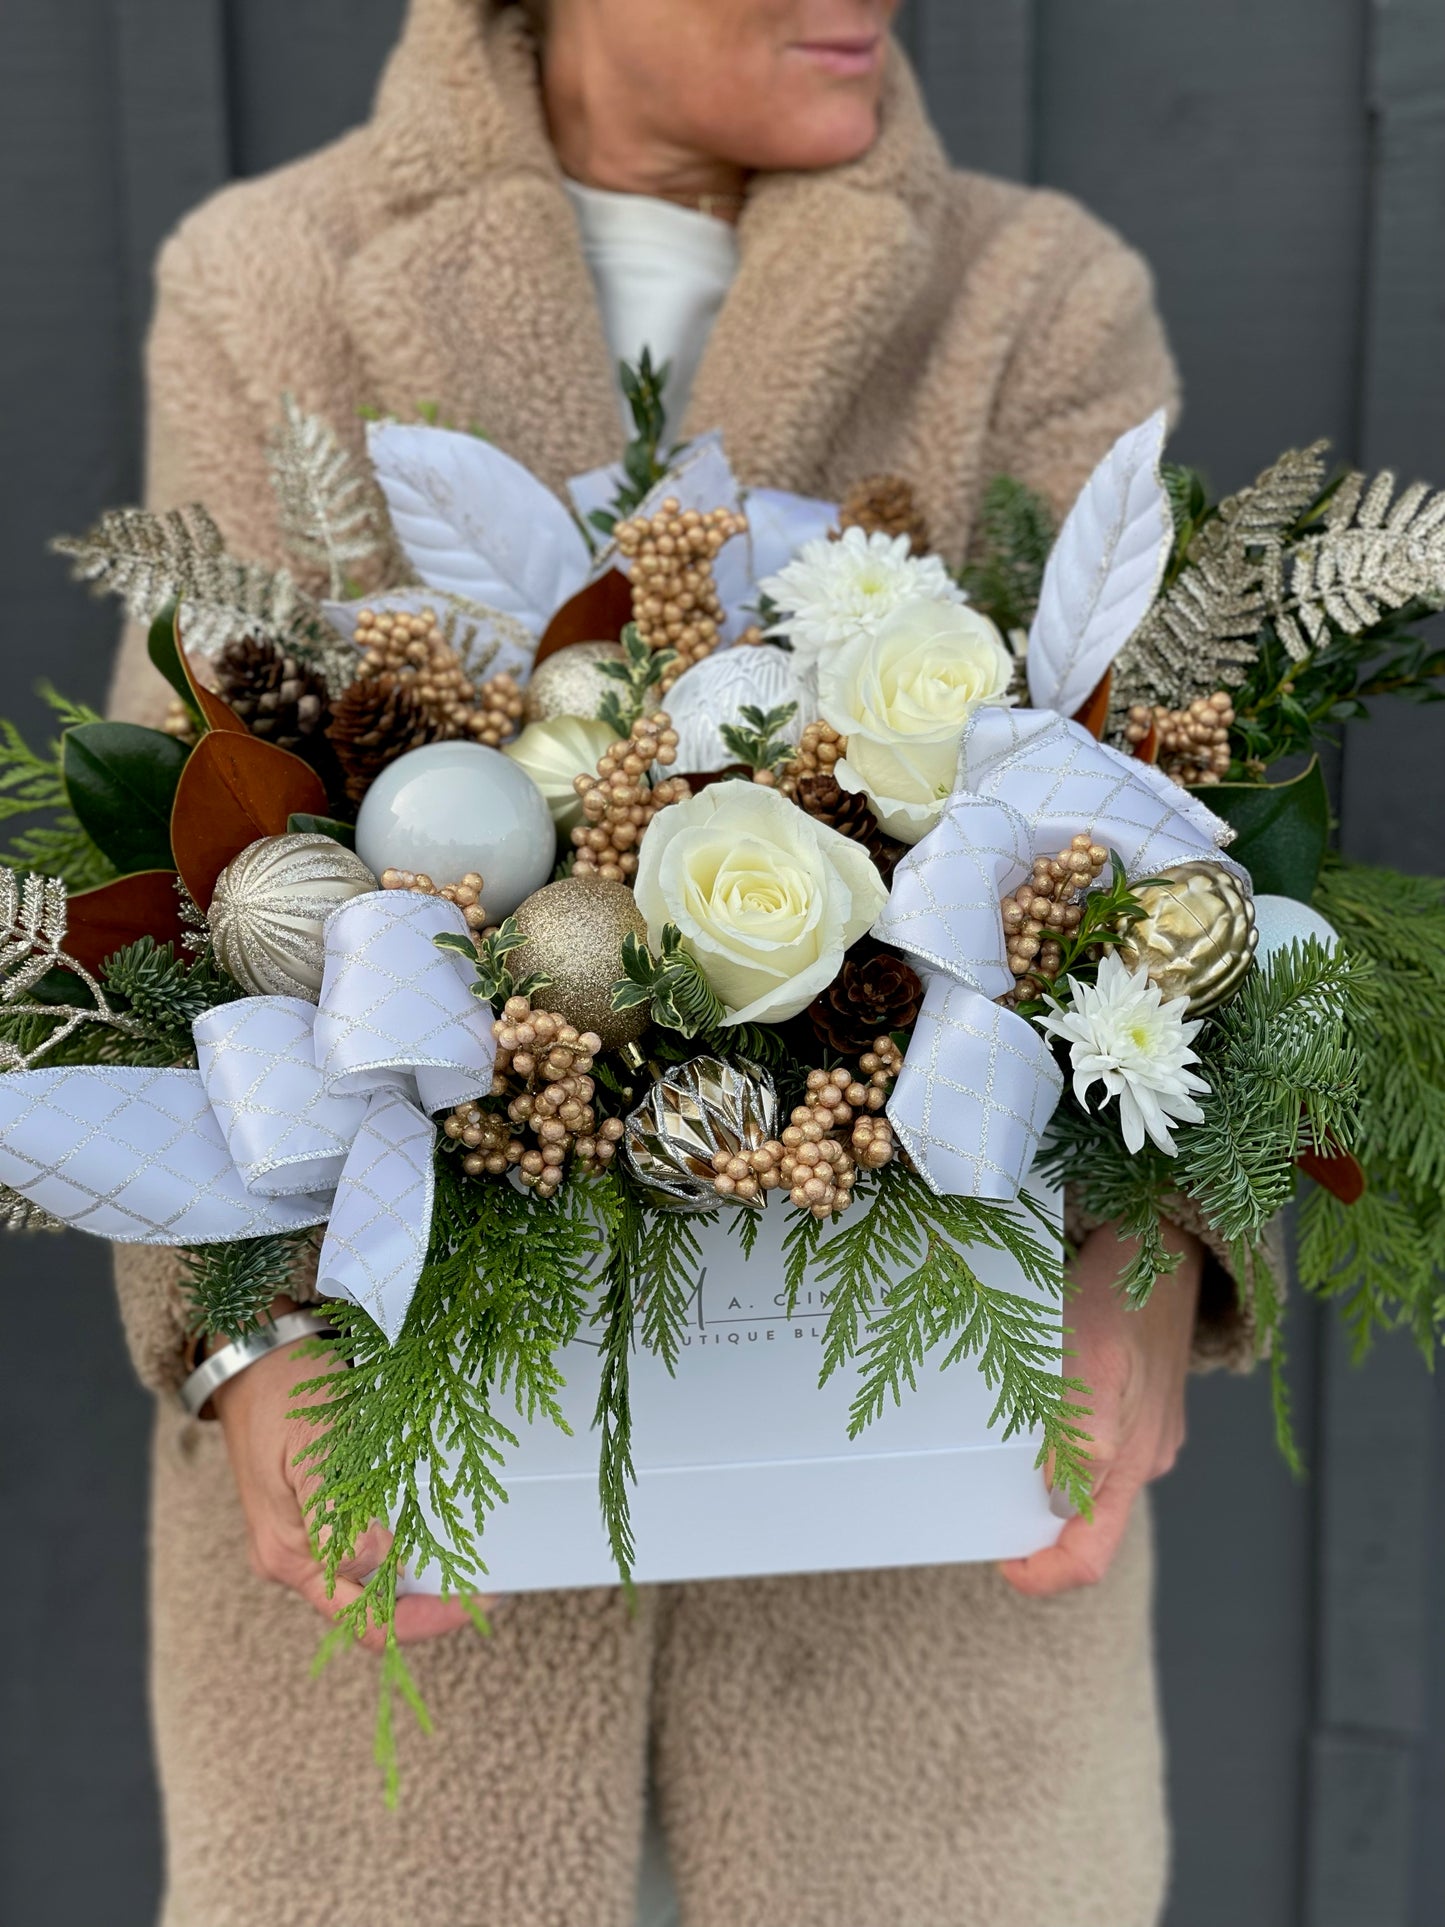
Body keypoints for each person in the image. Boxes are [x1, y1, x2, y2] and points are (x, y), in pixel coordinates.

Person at [109, 4, 1263, 1923]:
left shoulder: (1033, 295)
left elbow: (1171, 854)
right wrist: (242, 1341)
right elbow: (183, 870)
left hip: (919, 1503)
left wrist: (1154, 1258)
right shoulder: (271, 286)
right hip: (414, 1457)